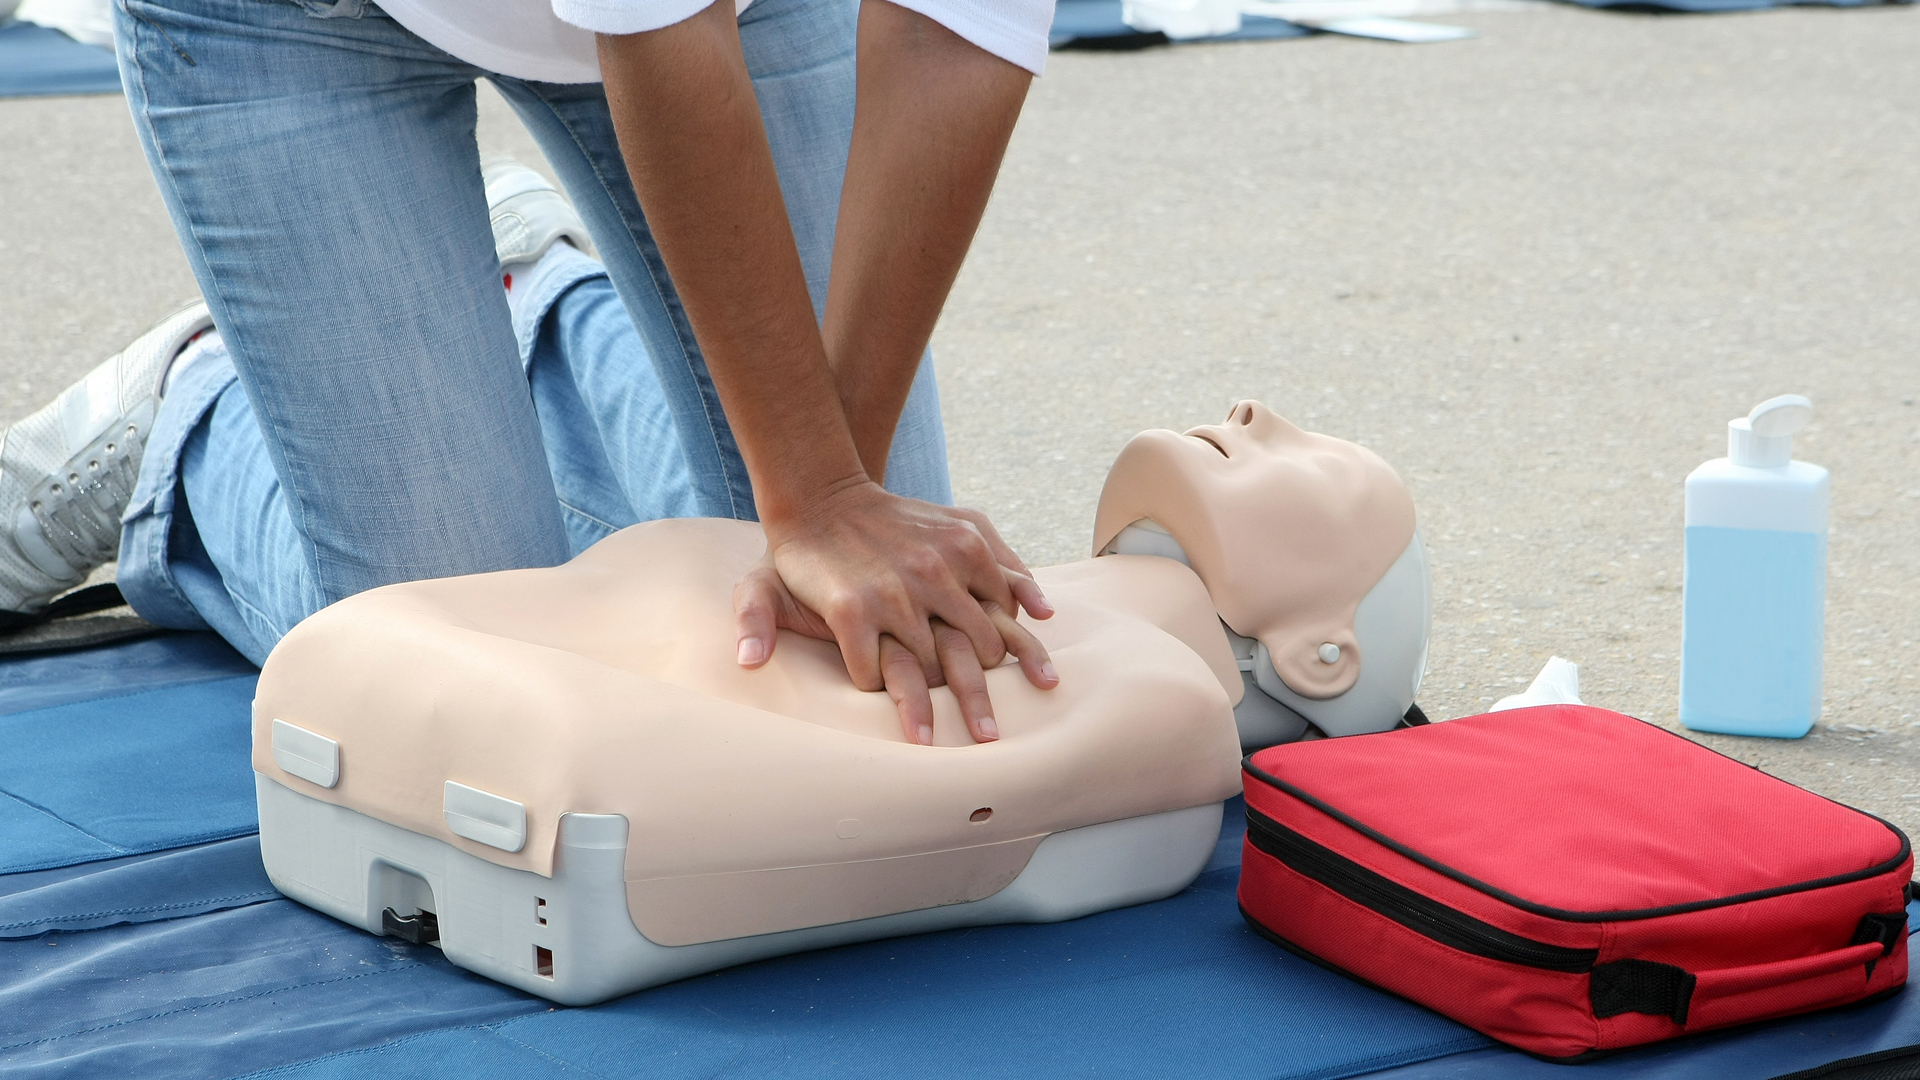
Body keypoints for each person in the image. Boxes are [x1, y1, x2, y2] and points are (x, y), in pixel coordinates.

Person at [0, 0, 1062, 741]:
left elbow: (955, 32)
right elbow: (654, 25)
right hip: (292, 26)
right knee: (475, 695)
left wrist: (844, 497)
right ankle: (193, 419)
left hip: (736, 13)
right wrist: (817, 495)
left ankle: (536, 306)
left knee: (851, 662)